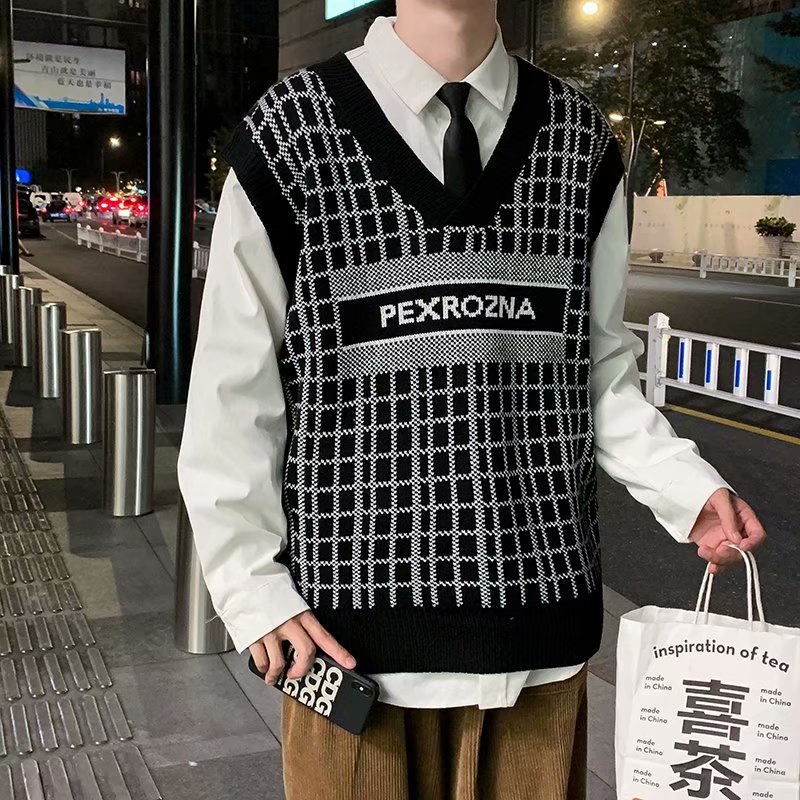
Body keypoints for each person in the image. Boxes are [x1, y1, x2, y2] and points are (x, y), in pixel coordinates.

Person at [176, 2, 767, 798]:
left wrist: (686, 488)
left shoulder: (579, 139)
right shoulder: (289, 133)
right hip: (349, 645)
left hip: (538, 635)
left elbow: (596, 366)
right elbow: (232, 390)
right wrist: (251, 589)